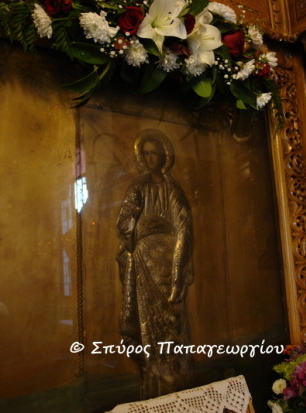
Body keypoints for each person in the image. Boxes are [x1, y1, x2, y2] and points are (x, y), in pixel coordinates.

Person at [116, 129, 193, 398]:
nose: (150, 158)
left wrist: (178, 269)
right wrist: (138, 231)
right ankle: (151, 378)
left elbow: (183, 225)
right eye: (146, 153)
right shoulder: (137, 186)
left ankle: (175, 378)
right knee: (145, 320)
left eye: (155, 154)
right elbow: (125, 221)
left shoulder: (172, 188)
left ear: (163, 157)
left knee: (171, 320)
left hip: (168, 262)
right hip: (143, 261)